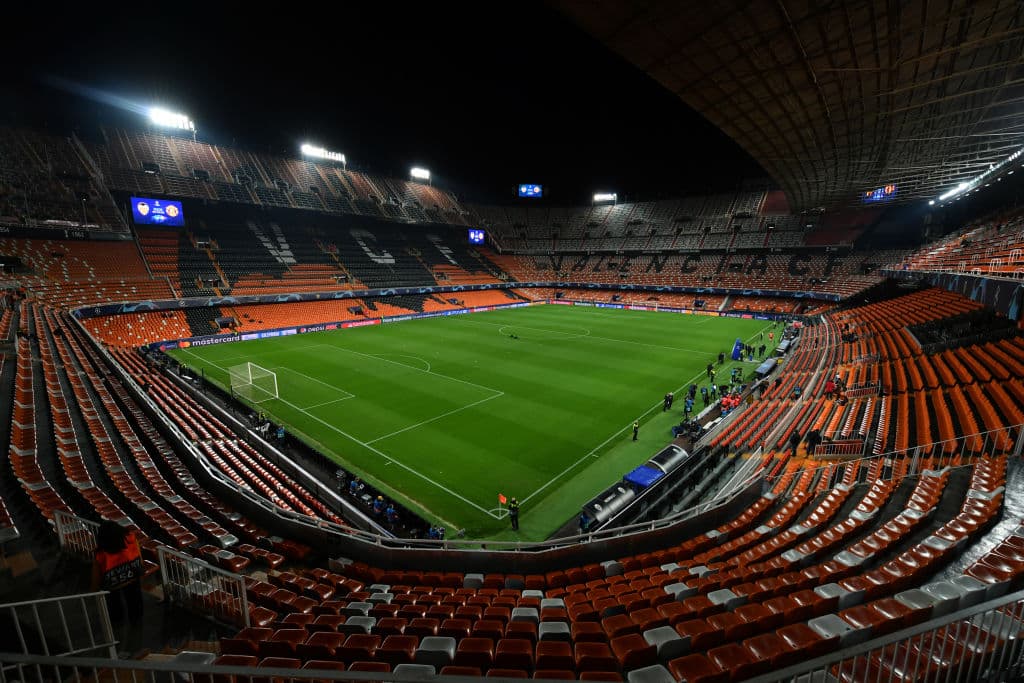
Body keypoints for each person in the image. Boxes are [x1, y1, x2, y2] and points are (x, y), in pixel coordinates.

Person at [92, 521, 144, 648]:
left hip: (113, 585)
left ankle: (118, 632)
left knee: (116, 609)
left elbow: (96, 577)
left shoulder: (101, 553)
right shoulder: (130, 539)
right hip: (132, 579)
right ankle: (136, 627)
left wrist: (94, 590)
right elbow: (138, 555)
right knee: (135, 605)